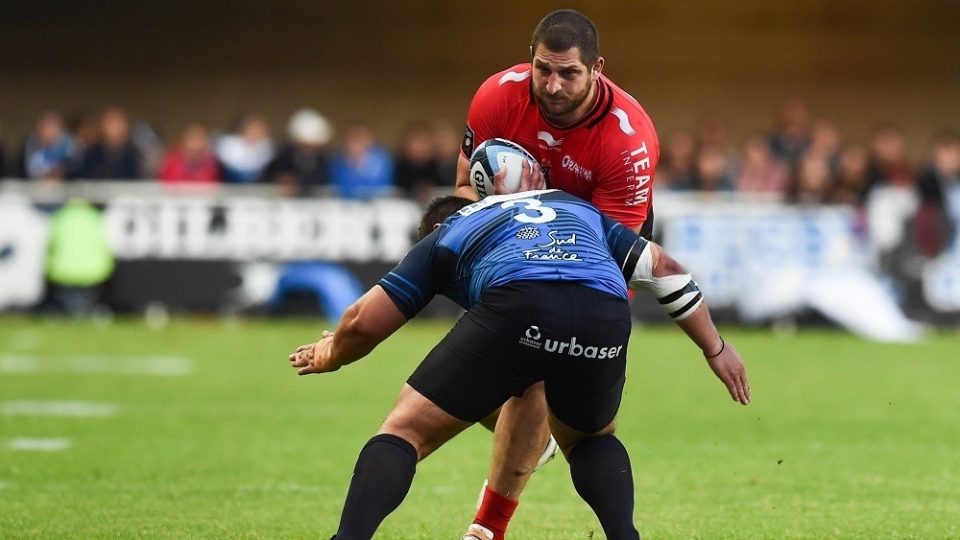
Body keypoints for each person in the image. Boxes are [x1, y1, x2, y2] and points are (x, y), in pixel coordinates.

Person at [289, 190, 750, 540]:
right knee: (591, 439)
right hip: (606, 312)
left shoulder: (449, 233)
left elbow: (364, 323)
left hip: (520, 304)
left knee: (404, 432)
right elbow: (666, 268)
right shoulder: (572, 205)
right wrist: (714, 347)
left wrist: (332, 355)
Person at [450, 10, 660, 538]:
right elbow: (462, 192)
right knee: (492, 380)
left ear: (597, 70)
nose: (553, 84)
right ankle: (533, 440)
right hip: (512, 238)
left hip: (598, 250)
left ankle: (486, 528)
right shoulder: (497, 97)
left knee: (541, 368)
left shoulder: (627, 141)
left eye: (569, 73)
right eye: (544, 69)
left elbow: (605, 250)